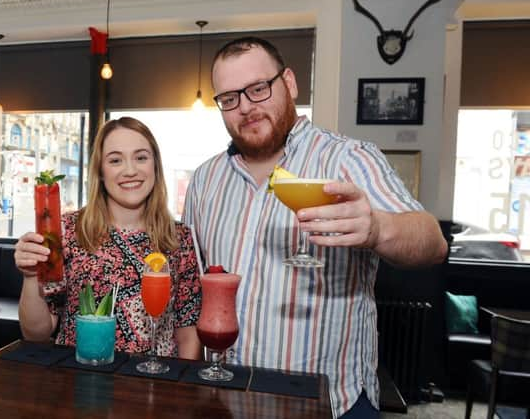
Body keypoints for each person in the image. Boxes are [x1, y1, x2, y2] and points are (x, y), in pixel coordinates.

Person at [182, 37, 448, 418]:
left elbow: (432, 242)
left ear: (288, 83)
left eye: (258, 89)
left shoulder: (348, 158)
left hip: (331, 403)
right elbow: (196, 283)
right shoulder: (206, 179)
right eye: (229, 98)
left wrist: (377, 229)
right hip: (229, 398)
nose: (246, 108)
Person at [15, 117, 202, 360]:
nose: (130, 170)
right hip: (80, 380)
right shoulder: (68, 231)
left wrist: (182, 390)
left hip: (155, 384)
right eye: (115, 160)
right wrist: (30, 277)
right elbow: (36, 334)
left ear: (155, 165)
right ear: (101, 173)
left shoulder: (180, 239)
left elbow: (188, 330)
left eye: (141, 157)